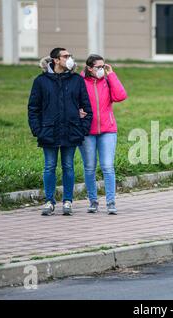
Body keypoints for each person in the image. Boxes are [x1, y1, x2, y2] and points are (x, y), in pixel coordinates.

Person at [28, 47, 93, 216]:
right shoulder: (41, 81)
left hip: (71, 130)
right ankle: (49, 201)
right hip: (48, 131)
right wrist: (38, 130)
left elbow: (87, 107)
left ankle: (68, 201)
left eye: (70, 55)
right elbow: (33, 108)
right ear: (56, 60)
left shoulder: (76, 80)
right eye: (66, 56)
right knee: (49, 166)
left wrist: (82, 128)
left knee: (68, 166)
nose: (69, 58)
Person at [78, 54, 127, 214]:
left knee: (107, 166)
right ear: (89, 68)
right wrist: (77, 111)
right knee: (90, 167)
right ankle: (93, 201)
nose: (101, 69)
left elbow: (120, 96)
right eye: (98, 67)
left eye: (103, 66)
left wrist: (111, 74)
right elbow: (71, 100)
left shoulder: (106, 80)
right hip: (87, 131)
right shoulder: (80, 82)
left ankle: (111, 202)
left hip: (108, 130)